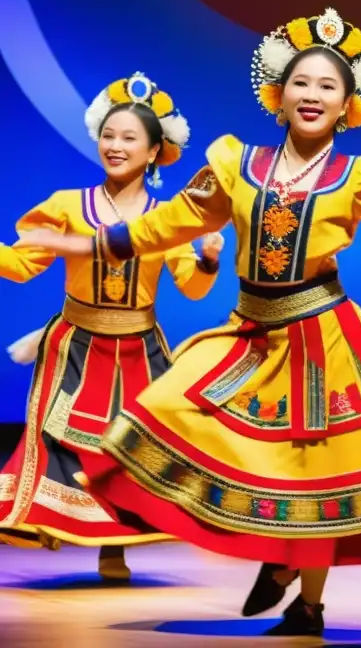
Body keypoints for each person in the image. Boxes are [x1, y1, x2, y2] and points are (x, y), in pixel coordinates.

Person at [21, 8, 361, 636]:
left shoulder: (359, 175)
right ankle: (268, 558)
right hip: (251, 331)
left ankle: (308, 605)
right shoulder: (233, 165)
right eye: (302, 82)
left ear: (347, 105)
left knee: (319, 470)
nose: (313, 95)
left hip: (322, 335)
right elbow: (164, 227)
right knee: (167, 410)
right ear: (278, 94)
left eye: (329, 86)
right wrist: (87, 246)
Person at [0, 73, 221, 579]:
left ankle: (114, 546)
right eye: (109, 135)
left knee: (126, 452)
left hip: (138, 349)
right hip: (75, 345)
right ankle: (47, 521)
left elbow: (191, 285)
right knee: (61, 442)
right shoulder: (65, 206)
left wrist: (207, 260)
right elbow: (19, 265)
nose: (115, 146)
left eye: (129, 139)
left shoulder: (166, 219)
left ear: (152, 153)